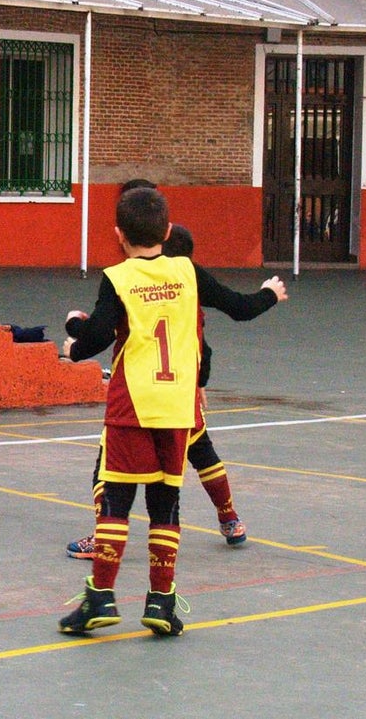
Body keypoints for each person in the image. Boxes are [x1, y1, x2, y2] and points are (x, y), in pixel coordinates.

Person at [56, 186, 261, 637]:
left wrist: (74, 342)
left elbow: (97, 338)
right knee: (166, 503)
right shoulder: (187, 272)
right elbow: (239, 308)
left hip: (133, 406)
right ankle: (161, 603)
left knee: (116, 500)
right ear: (167, 231)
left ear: (118, 235)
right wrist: (269, 293)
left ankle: (100, 597)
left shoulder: (118, 277)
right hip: (177, 409)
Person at [66, 222, 287, 558]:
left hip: (139, 397)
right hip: (180, 395)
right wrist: (270, 293)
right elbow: (228, 323)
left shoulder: (129, 280)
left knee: (108, 469)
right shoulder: (189, 287)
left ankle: (103, 540)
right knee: (200, 458)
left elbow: (103, 331)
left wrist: (74, 334)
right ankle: (229, 519)